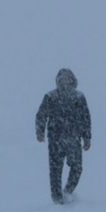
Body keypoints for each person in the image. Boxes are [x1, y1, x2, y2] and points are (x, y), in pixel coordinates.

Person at [36, 68, 92, 204]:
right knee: (55, 171)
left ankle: (67, 191)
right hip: (56, 140)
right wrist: (40, 131)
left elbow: (86, 118)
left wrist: (87, 137)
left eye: (68, 78)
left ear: (73, 80)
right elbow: (41, 115)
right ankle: (57, 199)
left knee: (77, 168)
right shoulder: (51, 97)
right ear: (58, 81)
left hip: (74, 139)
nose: (65, 81)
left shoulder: (79, 97)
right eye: (62, 79)